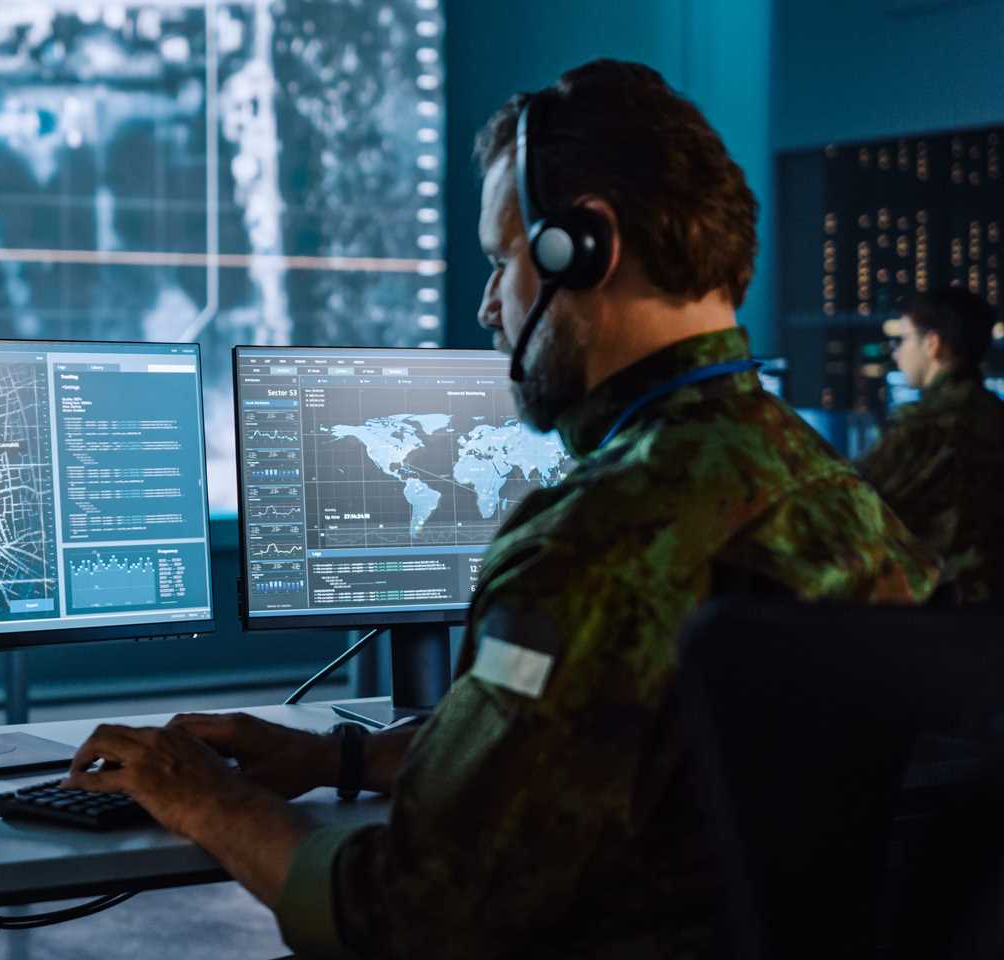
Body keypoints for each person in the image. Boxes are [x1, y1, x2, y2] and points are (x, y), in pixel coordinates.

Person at [62, 61, 939, 958]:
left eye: (499, 260)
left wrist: (203, 795)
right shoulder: (847, 502)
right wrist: (341, 759)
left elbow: (406, 916)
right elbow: (608, 741)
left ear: (583, 246)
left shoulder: (590, 546)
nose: (489, 304)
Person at [858, 286, 1004, 603]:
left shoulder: (923, 428)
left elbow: (852, 501)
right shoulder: (994, 416)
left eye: (904, 339)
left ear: (932, 344)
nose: (896, 352)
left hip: (938, 607)